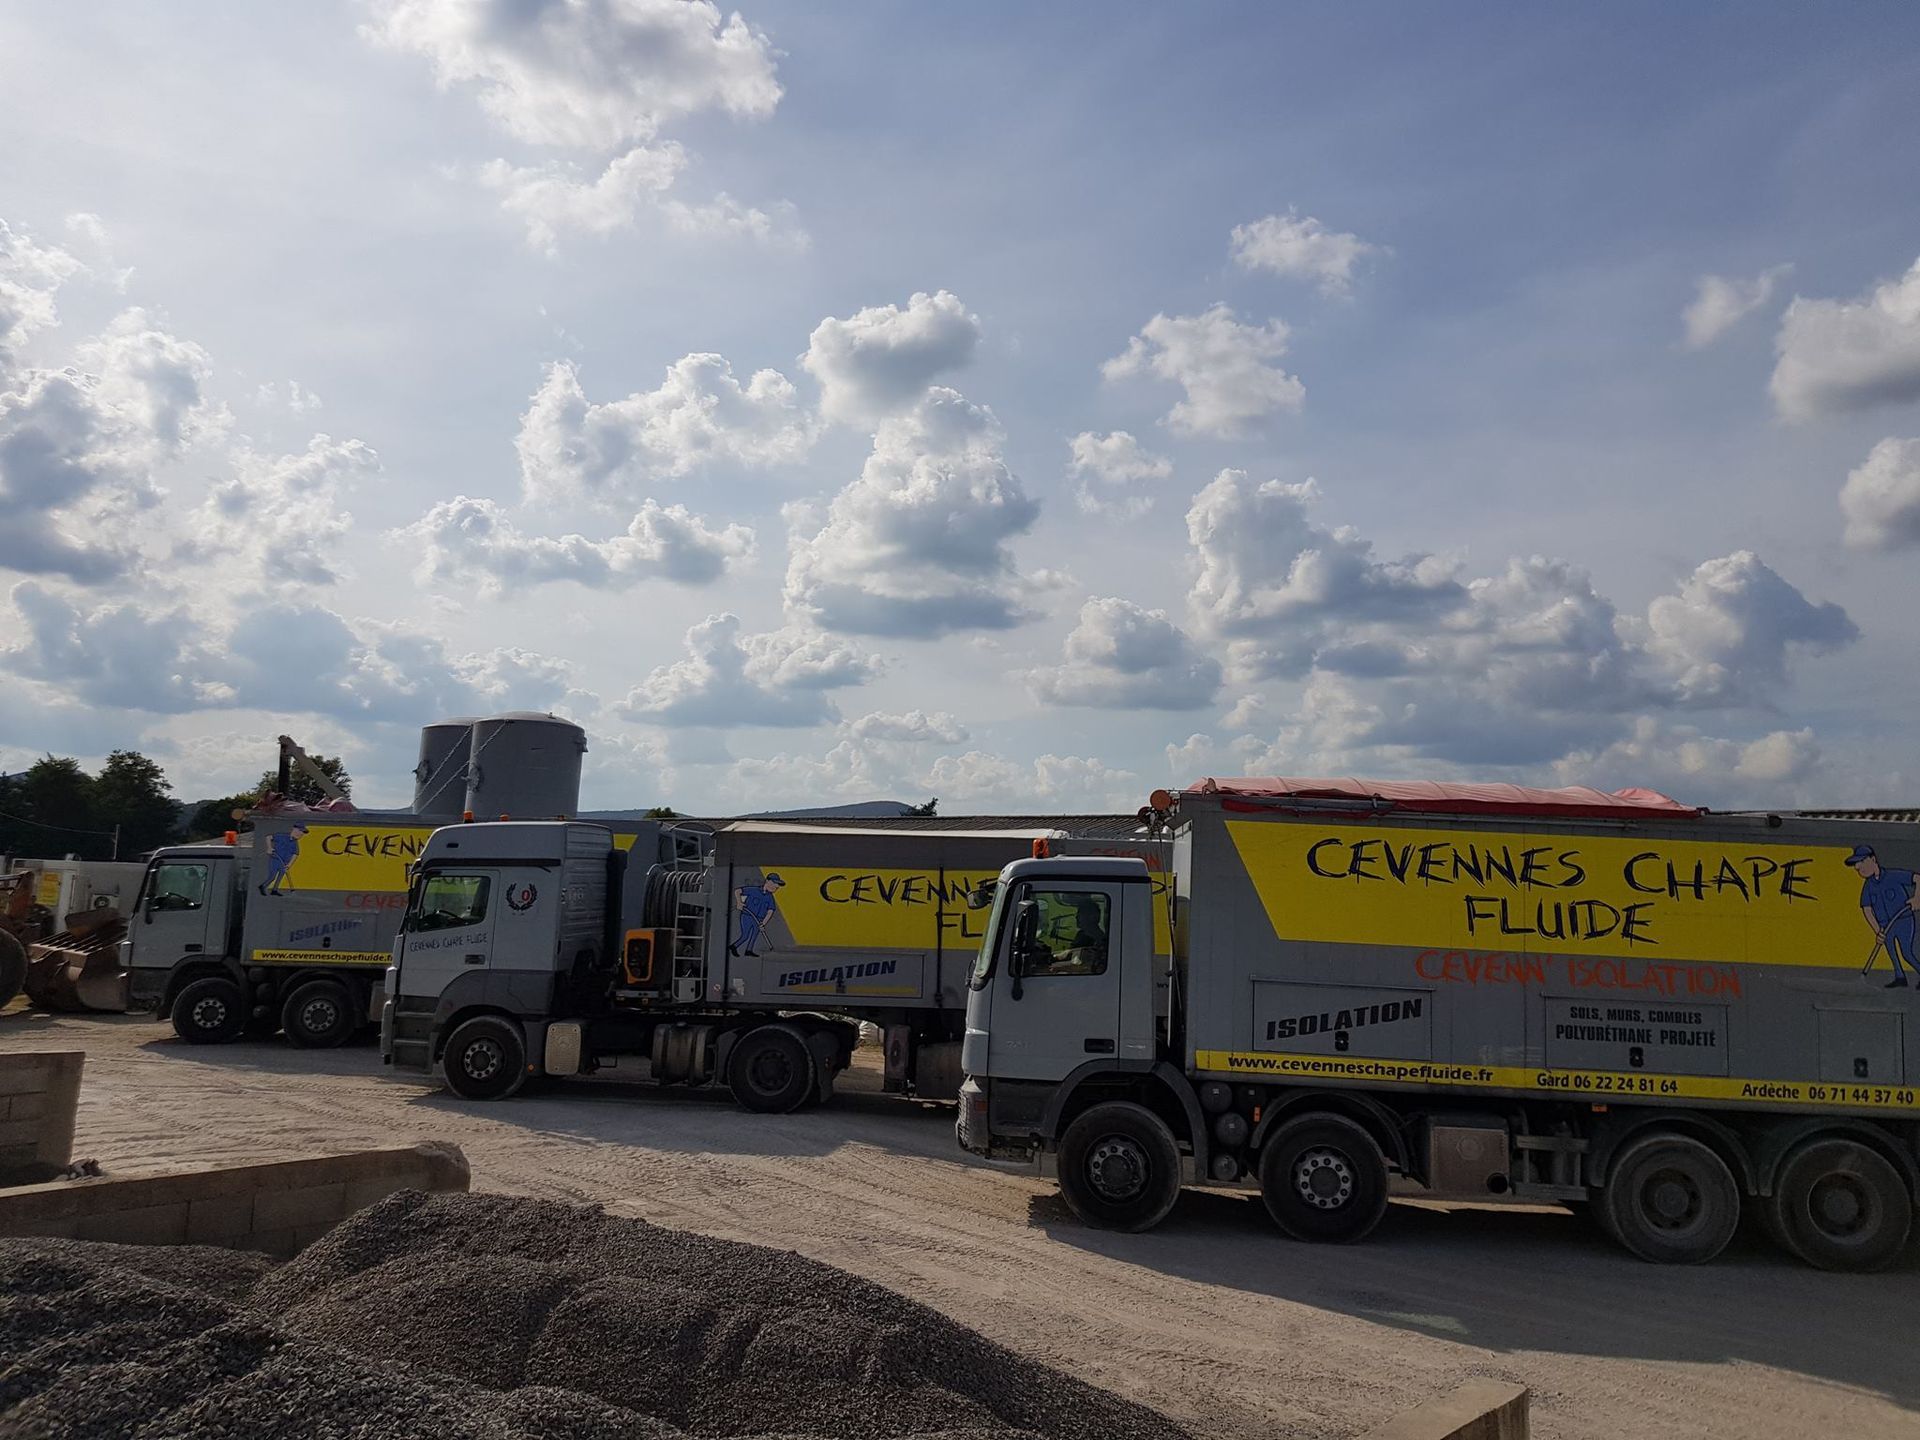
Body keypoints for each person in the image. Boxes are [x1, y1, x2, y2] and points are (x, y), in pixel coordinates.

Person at [1849, 845, 1918, 989]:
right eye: (1857, 865)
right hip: (1885, 925)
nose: (1858, 867)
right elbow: (1867, 910)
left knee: (1906, 952)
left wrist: (1917, 898)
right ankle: (1900, 977)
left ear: (1873, 859)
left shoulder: (1893, 875)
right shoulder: (1868, 887)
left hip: (1903, 920)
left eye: (1861, 862)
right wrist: (1878, 931)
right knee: (1891, 951)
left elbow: (1918, 878)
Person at [730, 872, 785, 958]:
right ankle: (734, 946)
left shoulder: (770, 897)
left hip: (759, 919)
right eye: (774, 883)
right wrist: (739, 902)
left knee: (755, 934)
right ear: (767, 881)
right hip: (747, 916)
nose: (776, 887)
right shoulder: (753, 890)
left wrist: (763, 923)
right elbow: (737, 891)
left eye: (777, 885)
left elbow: (770, 911)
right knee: (745, 935)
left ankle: (749, 950)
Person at [258, 825, 307, 896]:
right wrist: (269, 848)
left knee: (280, 876)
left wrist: (289, 864)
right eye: (300, 831)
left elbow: (295, 854)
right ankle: (262, 886)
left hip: (284, 863)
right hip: (275, 860)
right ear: (294, 830)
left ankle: (274, 890)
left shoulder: (294, 843)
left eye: (302, 833)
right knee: (272, 876)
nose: (301, 834)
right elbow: (268, 837)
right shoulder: (282, 836)